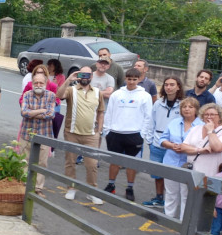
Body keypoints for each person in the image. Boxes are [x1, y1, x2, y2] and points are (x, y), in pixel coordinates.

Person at [102, 68, 154, 201]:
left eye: (134, 79)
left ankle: (129, 188)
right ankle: (111, 185)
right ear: (125, 79)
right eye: (129, 79)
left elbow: (148, 117)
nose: (131, 82)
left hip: (134, 134)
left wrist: (142, 134)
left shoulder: (145, 96)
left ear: (139, 79)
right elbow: (109, 113)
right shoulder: (117, 94)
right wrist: (107, 131)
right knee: (114, 161)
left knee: (131, 163)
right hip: (115, 133)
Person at [56, 66, 106, 204]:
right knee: (70, 162)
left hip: (91, 135)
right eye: (82, 74)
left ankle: (92, 191)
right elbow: (59, 96)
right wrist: (68, 80)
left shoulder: (97, 92)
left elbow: (101, 111)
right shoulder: (71, 90)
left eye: (88, 75)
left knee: (92, 164)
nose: (85, 77)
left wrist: (99, 130)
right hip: (72, 133)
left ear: (91, 77)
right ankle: (71, 188)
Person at [143, 76, 183, 208]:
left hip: (174, 146)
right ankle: (159, 198)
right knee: (157, 173)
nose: (168, 87)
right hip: (157, 144)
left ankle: (172, 203)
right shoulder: (158, 103)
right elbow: (151, 122)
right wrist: (149, 140)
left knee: (172, 175)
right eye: (166, 84)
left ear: (178, 87)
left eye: (172, 84)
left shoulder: (183, 105)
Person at [160, 97, 202, 219]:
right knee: (170, 193)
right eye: (184, 107)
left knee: (186, 195)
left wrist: (186, 148)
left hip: (190, 165)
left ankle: (184, 223)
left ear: (196, 110)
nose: (187, 109)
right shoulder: (174, 122)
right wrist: (171, 145)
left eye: (190, 107)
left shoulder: (201, 125)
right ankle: (169, 218)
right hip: (171, 162)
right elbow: (163, 139)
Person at [18, 72, 56, 196]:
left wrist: (32, 112)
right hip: (26, 134)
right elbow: (23, 112)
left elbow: (51, 114)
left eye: (41, 83)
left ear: (46, 83)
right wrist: (41, 111)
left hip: (44, 135)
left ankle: (38, 188)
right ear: (32, 83)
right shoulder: (27, 95)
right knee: (24, 161)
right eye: (36, 83)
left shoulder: (51, 96)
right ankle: (24, 185)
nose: (38, 85)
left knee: (42, 163)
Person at [208, 164, 222, 235]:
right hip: (218, 208)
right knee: (216, 228)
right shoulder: (218, 177)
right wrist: (213, 207)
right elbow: (212, 194)